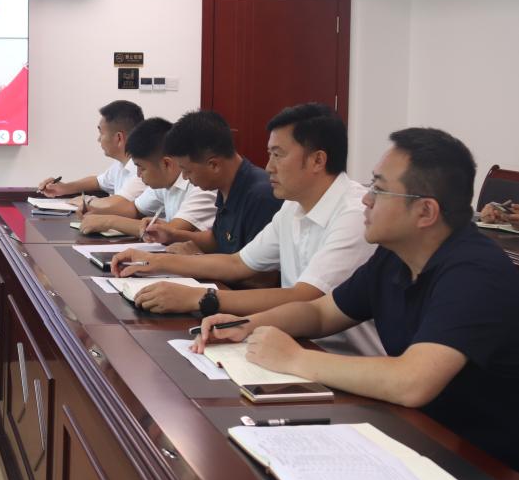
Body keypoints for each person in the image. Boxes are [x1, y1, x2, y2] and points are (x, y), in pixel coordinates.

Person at [196, 128, 519, 470]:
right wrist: (247, 325)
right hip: (417, 434)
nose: (366, 199)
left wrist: (294, 358)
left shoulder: (475, 273)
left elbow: (413, 382)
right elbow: (321, 313)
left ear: (425, 212)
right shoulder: (394, 256)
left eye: (379, 189)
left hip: (484, 465)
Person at [112, 103, 380, 355]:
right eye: (269, 154)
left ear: (317, 161)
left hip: (344, 360)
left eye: (278, 155)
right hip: (293, 343)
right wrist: (155, 262)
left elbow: (305, 297)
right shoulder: (292, 206)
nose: (269, 167)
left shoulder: (354, 215)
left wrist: (199, 298)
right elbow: (238, 263)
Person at [144, 110, 280, 256]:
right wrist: (172, 235)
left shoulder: (260, 195)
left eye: (187, 170)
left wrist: (197, 259)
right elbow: (217, 240)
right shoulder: (225, 185)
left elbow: (254, 269)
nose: (184, 177)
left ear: (214, 165)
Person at [77, 117, 216, 238]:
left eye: (142, 168)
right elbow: (135, 209)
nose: (138, 174)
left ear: (166, 164)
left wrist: (109, 221)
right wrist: (96, 212)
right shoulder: (164, 181)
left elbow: (170, 231)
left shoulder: (201, 186)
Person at [37, 100, 147, 216]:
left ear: (119, 138)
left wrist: (87, 201)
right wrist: (64, 188)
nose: (99, 139)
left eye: (101, 133)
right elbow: (97, 182)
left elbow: (117, 204)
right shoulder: (121, 164)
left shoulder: (143, 169)